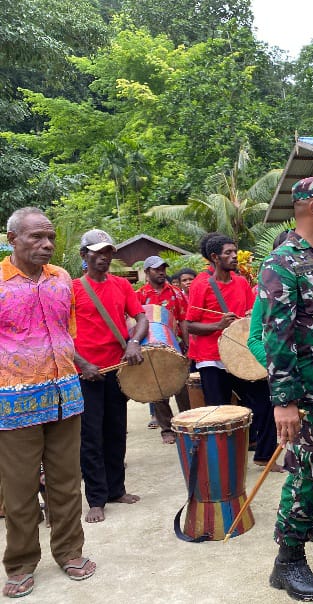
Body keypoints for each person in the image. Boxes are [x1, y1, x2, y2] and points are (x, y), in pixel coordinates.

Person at [247, 176, 313, 601]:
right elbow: (275, 336)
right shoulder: (282, 263)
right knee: (311, 476)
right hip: (308, 395)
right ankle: (287, 561)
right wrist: (284, 401)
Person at [0, 208, 96, 598]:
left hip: (66, 396)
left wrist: (77, 367)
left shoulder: (62, 280)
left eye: (50, 237)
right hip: (15, 401)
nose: (47, 244)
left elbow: (66, 333)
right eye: (37, 237)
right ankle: (20, 563)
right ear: (12, 240)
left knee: (67, 483)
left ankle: (70, 552)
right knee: (20, 489)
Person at [73, 229, 146, 523]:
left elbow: (140, 317)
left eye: (107, 253)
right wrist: (81, 363)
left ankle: (117, 489)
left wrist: (134, 341)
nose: (103, 258)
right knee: (90, 437)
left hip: (116, 371)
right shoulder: (72, 289)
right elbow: (60, 334)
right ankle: (96, 498)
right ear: (84, 256)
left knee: (116, 431)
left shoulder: (121, 285)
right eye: (96, 253)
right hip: (86, 374)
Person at [185, 234, 275, 464]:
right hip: (211, 358)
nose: (234, 256)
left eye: (235, 252)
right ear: (215, 257)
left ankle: (264, 456)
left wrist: (247, 316)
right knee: (219, 411)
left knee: (264, 403)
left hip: (241, 355)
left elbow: (249, 315)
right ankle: (224, 462)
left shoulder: (241, 282)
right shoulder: (200, 285)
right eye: (228, 253)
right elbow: (190, 324)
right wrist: (218, 324)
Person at [136, 255, 189, 444]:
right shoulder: (140, 295)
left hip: (174, 346)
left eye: (163, 269)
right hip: (151, 348)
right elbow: (134, 321)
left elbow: (183, 319)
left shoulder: (175, 292)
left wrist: (187, 343)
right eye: (156, 269)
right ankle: (166, 429)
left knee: (181, 385)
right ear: (147, 271)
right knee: (158, 388)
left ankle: (185, 423)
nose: (161, 272)